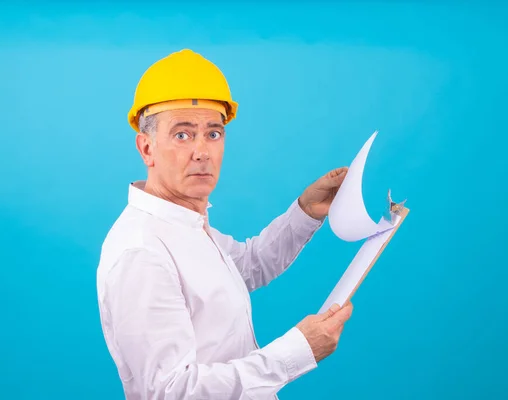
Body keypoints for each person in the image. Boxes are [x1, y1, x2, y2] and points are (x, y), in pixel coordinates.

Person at [96, 48, 354, 399]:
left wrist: (305, 212)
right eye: (182, 134)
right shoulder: (142, 252)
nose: (202, 151)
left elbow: (246, 265)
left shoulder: (186, 225)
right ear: (147, 148)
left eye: (213, 134)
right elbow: (171, 391)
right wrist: (297, 351)